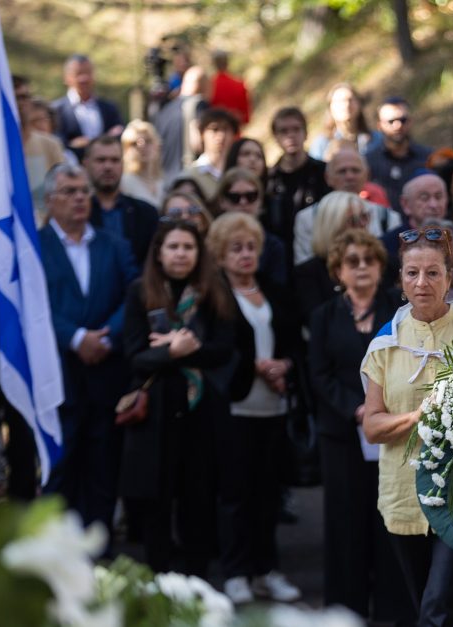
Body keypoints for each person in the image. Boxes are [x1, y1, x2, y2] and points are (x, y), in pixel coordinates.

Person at [361, 226, 453, 625]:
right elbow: (372, 426)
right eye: (412, 273)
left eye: (433, 273)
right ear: (400, 279)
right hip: (404, 493)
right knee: (436, 608)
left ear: (450, 277)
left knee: (436, 610)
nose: (422, 283)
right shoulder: (386, 343)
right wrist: (418, 416)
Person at [119, 220, 240, 576]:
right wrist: (172, 351)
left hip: (202, 414)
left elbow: (224, 350)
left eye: (188, 247)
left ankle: (197, 586)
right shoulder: (140, 291)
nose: (181, 254)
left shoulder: (213, 291)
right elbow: (135, 356)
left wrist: (185, 348)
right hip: (156, 414)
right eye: (173, 246)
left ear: (198, 253)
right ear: (158, 252)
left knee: (197, 505)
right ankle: (157, 585)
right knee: (156, 507)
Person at [309, 229, 408, 620]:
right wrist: (356, 408)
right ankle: (345, 611)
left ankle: (393, 610)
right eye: (353, 261)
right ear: (338, 270)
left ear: (382, 267)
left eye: (370, 260)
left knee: (389, 519)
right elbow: (318, 374)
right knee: (345, 522)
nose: (362, 267)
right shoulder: (323, 316)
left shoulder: (398, 314)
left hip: (392, 432)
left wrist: (380, 410)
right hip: (342, 435)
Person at [206, 212, 301, 604]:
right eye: (236, 249)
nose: (245, 256)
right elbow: (213, 351)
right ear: (220, 254)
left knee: (268, 494)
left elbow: (295, 342)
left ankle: (267, 570)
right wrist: (254, 367)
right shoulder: (214, 296)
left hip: (274, 405)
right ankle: (237, 572)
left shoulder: (275, 291)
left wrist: (285, 366)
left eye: (250, 248)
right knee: (236, 495)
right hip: (234, 407)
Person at [39, 163, 137, 537]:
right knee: (61, 471)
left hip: (106, 374)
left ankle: (101, 557)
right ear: (50, 201)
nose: (80, 198)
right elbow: (36, 307)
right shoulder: (36, 247)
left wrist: (105, 335)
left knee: (102, 469)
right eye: (69, 191)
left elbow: (135, 294)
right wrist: (77, 338)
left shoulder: (114, 244)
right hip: (59, 375)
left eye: (84, 191)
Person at [293, 148, 402, 264]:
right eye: (342, 171)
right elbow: (305, 267)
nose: (349, 177)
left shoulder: (388, 218)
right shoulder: (307, 218)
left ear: (367, 175)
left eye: (355, 170)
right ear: (327, 178)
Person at [293, 191, 371, 325]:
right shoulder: (308, 273)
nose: (362, 225)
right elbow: (315, 322)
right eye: (353, 220)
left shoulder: (380, 263)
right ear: (333, 226)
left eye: (364, 217)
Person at [265, 106, 331, 258]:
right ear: (275, 137)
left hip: (317, 254)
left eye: (296, 129)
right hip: (282, 256)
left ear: (306, 133)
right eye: (284, 131)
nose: (291, 136)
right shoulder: (269, 180)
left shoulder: (324, 172)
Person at [84, 135, 159, 266]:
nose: (108, 166)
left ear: (123, 164)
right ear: (86, 164)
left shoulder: (146, 214)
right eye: (101, 160)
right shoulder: (77, 214)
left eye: (115, 160)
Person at [214, 167, 287, 286]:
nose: (243, 202)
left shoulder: (274, 246)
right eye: (235, 197)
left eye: (251, 196)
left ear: (260, 200)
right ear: (222, 201)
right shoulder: (210, 243)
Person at [365, 97, 433, 212]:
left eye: (403, 120)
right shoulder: (368, 161)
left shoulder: (428, 157)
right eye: (391, 121)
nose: (397, 125)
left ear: (410, 121)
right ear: (379, 125)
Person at [13, 75, 65, 222]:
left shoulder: (50, 145)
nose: (21, 103)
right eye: (16, 97)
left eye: (25, 97)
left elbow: (62, 188)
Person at [52, 54, 124, 157]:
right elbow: (57, 142)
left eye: (88, 73)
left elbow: (119, 133)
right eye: (78, 74)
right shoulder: (56, 109)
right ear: (66, 78)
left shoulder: (109, 108)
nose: (84, 78)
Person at [153, 65, 208, 185]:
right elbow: (197, 143)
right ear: (203, 86)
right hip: (187, 178)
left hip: (164, 179)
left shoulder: (165, 109)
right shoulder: (199, 105)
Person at [183, 107, 239, 200]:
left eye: (226, 129)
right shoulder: (189, 177)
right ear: (202, 134)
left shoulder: (239, 173)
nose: (221, 136)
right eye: (214, 129)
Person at [309, 82, 373, 159]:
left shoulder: (376, 140)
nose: (346, 105)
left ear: (359, 104)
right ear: (330, 108)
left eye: (350, 100)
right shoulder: (321, 145)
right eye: (339, 101)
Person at [120, 119, 165, 208]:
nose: (142, 147)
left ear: (157, 145)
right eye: (134, 143)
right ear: (126, 149)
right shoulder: (124, 183)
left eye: (148, 141)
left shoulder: (162, 181)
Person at [209, 50, 251, 126]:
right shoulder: (239, 84)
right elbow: (246, 118)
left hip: (216, 131)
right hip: (236, 131)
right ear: (227, 62)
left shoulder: (209, 86)